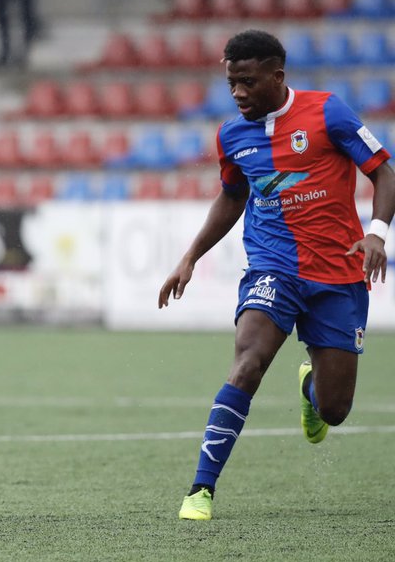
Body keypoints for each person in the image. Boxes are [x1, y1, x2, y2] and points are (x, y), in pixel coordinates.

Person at [158, 29, 395, 521]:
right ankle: (201, 490)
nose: (238, 93)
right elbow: (232, 196)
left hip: (338, 274)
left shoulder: (329, 112)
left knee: (335, 410)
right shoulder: (231, 136)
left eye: (247, 81)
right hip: (273, 267)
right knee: (247, 362)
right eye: (231, 84)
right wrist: (190, 257)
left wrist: (377, 232)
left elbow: (384, 173)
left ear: (277, 75)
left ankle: (311, 389)